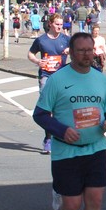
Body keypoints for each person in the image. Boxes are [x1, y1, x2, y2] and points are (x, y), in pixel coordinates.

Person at [35, 32, 106, 210]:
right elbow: (40, 115)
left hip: (96, 148)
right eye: (81, 51)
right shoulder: (58, 80)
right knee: (71, 206)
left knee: (95, 200)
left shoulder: (100, 79)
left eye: (89, 50)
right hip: (67, 152)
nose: (86, 55)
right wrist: (61, 131)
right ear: (71, 53)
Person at [28, 14, 71, 153]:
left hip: (61, 77)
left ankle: (58, 135)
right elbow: (30, 54)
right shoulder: (41, 40)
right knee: (48, 109)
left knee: (60, 108)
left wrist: (70, 50)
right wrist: (37, 61)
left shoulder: (66, 39)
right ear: (50, 24)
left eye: (61, 24)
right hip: (46, 76)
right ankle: (48, 139)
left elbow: (79, 51)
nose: (60, 27)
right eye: (57, 24)